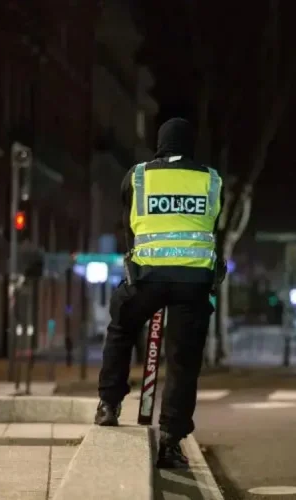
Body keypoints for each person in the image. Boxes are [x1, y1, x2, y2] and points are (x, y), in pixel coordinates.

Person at [95, 117, 226, 468]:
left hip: (147, 278)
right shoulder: (211, 179)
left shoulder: (137, 175)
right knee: (184, 360)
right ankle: (171, 440)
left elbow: (129, 227)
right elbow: (214, 225)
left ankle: (109, 404)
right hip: (194, 283)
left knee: (121, 328)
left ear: (160, 143)